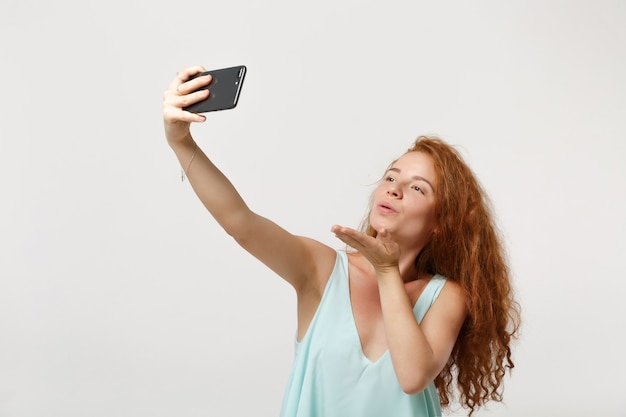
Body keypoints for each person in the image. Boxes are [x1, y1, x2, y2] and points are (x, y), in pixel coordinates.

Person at [162, 65, 521, 417]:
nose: (394, 189)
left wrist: (385, 270)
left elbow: (412, 377)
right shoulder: (322, 270)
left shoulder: (446, 296)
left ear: (440, 222)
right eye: (390, 177)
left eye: (416, 187)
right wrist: (180, 142)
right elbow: (240, 223)